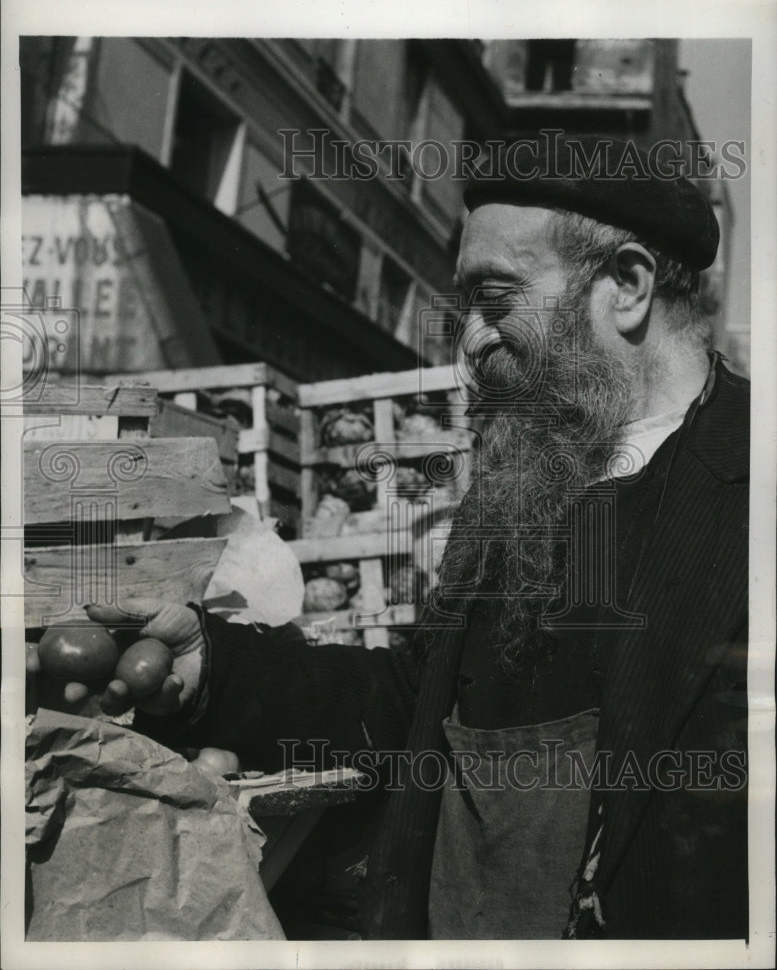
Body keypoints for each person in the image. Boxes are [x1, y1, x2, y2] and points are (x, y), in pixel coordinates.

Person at [29, 135, 749, 941]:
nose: (471, 342)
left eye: (496, 297)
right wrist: (209, 665)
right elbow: (416, 697)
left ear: (626, 285)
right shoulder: (529, 478)